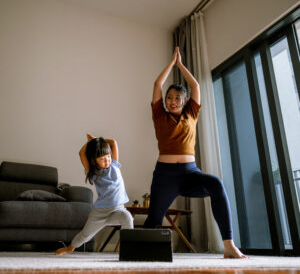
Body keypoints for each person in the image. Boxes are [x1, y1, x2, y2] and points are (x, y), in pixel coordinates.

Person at [143, 47, 246, 258]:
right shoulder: (159, 115)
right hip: (165, 176)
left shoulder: (192, 112)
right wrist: (171, 64)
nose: (171, 101)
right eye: (169, 97)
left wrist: (181, 65)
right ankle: (142, 253)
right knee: (153, 221)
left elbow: (195, 85)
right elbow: (157, 85)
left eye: (177, 98)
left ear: (185, 100)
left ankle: (229, 245)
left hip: (190, 173)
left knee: (216, 184)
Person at [56, 134, 133, 256]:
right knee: (86, 234)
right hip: (100, 213)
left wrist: (97, 141)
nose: (107, 160)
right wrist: (91, 144)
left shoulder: (115, 164)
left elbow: (113, 142)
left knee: (128, 218)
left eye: (108, 156)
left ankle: (128, 251)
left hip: (118, 209)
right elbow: (81, 153)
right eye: (102, 159)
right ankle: (70, 248)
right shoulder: (94, 173)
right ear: (94, 160)